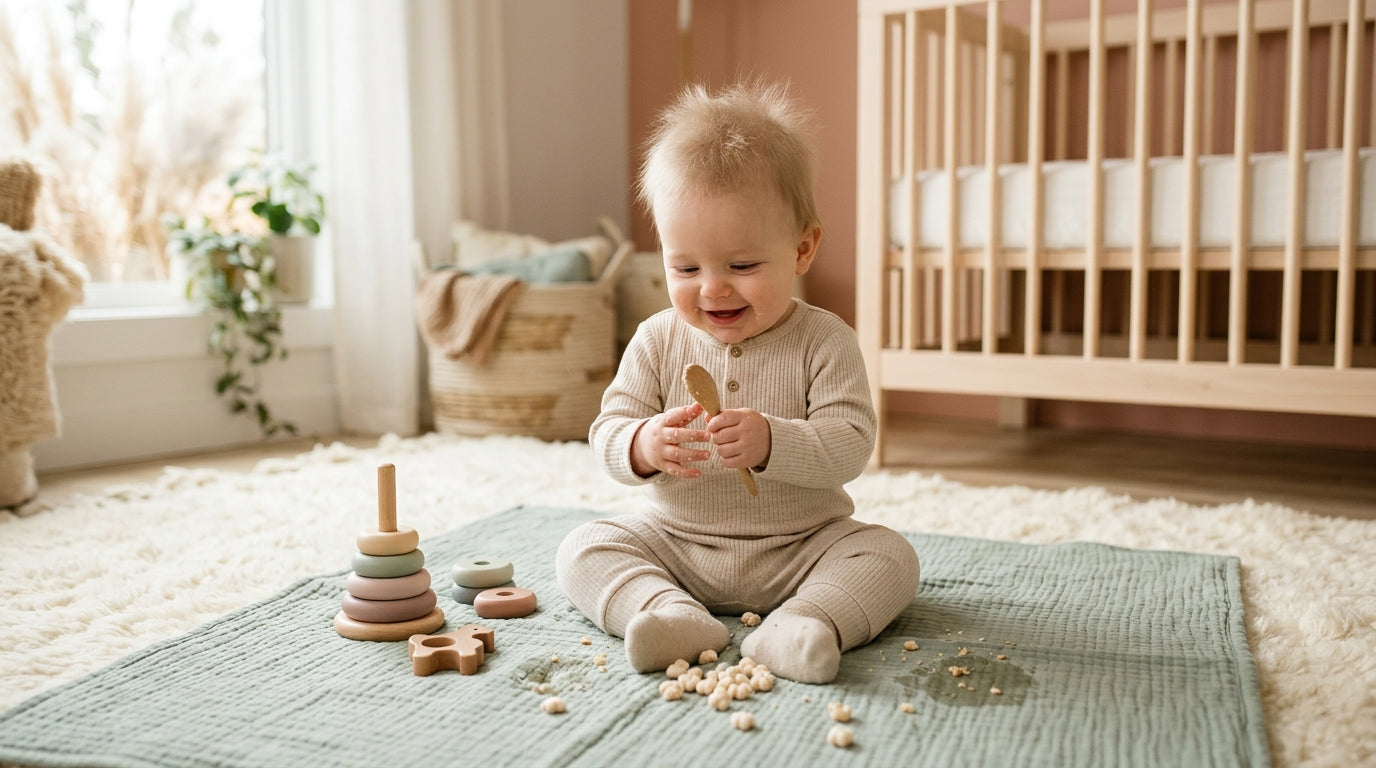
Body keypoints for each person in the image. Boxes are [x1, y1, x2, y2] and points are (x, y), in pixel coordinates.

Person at [555, 81, 920, 684]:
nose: (713, 288)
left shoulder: (825, 340)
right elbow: (607, 432)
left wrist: (776, 441)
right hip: (676, 544)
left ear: (802, 249)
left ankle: (805, 623)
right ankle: (666, 613)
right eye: (685, 267)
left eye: (743, 266)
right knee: (581, 547)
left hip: (803, 547)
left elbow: (853, 442)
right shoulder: (655, 338)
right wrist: (643, 444)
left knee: (890, 556)